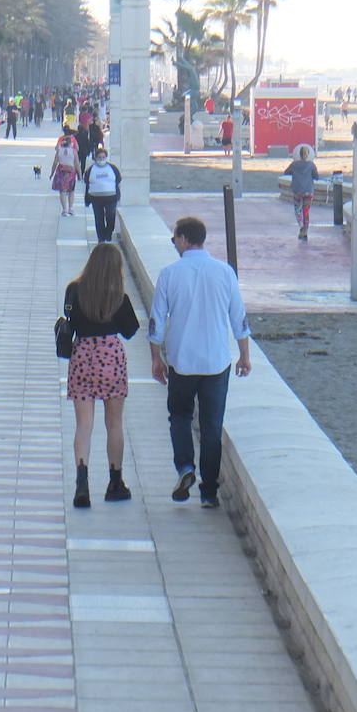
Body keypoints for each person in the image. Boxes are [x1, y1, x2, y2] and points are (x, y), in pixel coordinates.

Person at [148, 216, 252, 509]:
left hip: (182, 361)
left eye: (174, 239)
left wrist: (156, 358)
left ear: (183, 239)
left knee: (180, 416)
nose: (174, 244)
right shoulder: (225, 272)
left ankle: (185, 466)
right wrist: (245, 355)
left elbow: (157, 321)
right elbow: (238, 317)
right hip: (216, 362)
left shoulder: (169, 274)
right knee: (211, 427)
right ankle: (208, 492)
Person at [64, 243, 141, 508]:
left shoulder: (74, 290)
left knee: (84, 425)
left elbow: (70, 321)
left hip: (82, 355)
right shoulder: (119, 296)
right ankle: (115, 482)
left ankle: (82, 484)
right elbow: (130, 330)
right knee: (114, 423)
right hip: (111, 357)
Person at [82, 147, 122, 243]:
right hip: (96, 198)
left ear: (106, 157)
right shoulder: (91, 169)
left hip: (111, 197)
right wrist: (87, 199)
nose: (101, 159)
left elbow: (118, 180)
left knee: (111, 215)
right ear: (96, 158)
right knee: (98, 218)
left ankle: (108, 234)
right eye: (99, 157)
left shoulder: (112, 168)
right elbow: (87, 183)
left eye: (103, 157)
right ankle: (101, 237)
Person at [284, 146, 319, 241]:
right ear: (308, 155)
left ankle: (301, 225)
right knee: (306, 211)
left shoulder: (294, 164)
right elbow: (316, 177)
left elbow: (286, 172)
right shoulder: (311, 165)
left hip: (297, 191)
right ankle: (305, 231)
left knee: (298, 210)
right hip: (308, 191)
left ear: (299, 154)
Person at [50, 130, 80, 217]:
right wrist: (80, 174)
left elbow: (55, 163)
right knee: (71, 191)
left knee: (62, 191)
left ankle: (64, 209)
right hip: (71, 171)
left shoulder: (59, 151)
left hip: (61, 171)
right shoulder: (74, 151)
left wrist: (52, 173)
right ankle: (70, 208)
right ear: (71, 144)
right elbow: (77, 164)